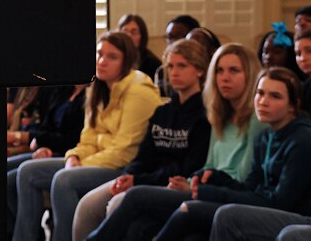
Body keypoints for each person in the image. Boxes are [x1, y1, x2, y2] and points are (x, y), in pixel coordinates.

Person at [86, 43, 265, 241]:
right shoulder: (218, 114)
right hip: (197, 187)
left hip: (222, 195)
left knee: (135, 197)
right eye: (220, 71)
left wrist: (193, 182)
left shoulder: (253, 120)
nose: (225, 77)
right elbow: (208, 165)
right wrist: (190, 180)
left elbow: (243, 175)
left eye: (234, 71)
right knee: (138, 227)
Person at [11, 32, 163, 241]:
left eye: (112, 57)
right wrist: (74, 156)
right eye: (99, 54)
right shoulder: (98, 89)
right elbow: (88, 139)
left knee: (65, 179)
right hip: (96, 161)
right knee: (28, 171)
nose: (101, 61)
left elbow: (125, 151)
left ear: (126, 60)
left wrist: (82, 163)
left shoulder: (138, 92)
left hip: (122, 168)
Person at [151, 67, 311, 241]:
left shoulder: (304, 141)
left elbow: (280, 203)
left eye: (275, 96)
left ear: (293, 106)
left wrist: (215, 193)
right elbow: (251, 187)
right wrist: (216, 177)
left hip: (294, 216)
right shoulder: (265, 135)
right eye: (260, 93)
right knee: (192, 235)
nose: (263, 101)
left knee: (192, 210)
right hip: (266, 208)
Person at [70, 39, 211, 241]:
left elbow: (186, 167)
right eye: (170, 66)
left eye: (182, 66)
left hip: (169, 184)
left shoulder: (204, 115)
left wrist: (137, 180)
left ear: (198, 70)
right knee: (88, 205)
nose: (175, 73)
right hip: (143, 178)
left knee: (118, 205)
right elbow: (144, 154)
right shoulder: (162, 112)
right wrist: (128, 176)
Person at [209, 140, 311, 241]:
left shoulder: (305, 139)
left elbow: (281, 201)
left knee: (293, 236)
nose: (262, 104)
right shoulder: (263, 136)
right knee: (228, 216)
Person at [6, 84, 88, 234]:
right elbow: (45, 127)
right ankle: (15, 233)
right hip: (48, 149)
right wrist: (43, 146)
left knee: (17, 176)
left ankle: (26, 236)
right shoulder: (63, 89)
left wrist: (39, 142)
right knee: (6, 168)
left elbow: (74, 139)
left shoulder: (90, 95)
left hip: (66, 152)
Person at [118, 14, 160, 80]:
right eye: (125, 31)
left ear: (142, 36)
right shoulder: (113, 58)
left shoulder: (152, 63)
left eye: (134, 32)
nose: (128, 36)